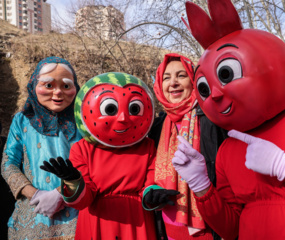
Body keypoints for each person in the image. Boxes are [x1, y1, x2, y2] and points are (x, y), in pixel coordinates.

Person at [172, 0, 285, 239]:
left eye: (226, 74)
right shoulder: (228, 149)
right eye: (205, 88)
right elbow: (231, 229)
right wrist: (203, 188)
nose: (216, 94)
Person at [40, 72, 158, 240]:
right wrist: (74, 182)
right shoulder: (81, 149)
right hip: (97, 222)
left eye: (133, 108)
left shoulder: (148, 147)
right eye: (110, 109)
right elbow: (83, 200)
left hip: (137, 220)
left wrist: (153, 193)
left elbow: (151, 184)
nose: (123, 118)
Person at [145, 53, 227, 240]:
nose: (173, 83)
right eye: (166, 78)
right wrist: (151, 193)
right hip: (168, 226)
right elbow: (149, 171)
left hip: (210, 226)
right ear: (159, 85)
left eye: (181, 76)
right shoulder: (156, 127)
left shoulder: (212, 119)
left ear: (193, 80)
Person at [1, 56, 82, 239]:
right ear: (33, 85)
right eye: (49, 85)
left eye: (66, 86)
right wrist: (35, 194)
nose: (58, 92)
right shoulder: (21, 120)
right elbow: (8, 163)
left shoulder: (84, 122)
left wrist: (60, 194)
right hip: (31, 216)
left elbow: (93, 165)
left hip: (75, 216)